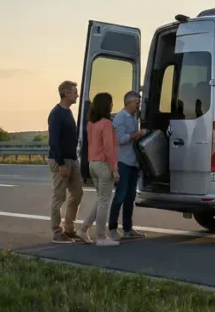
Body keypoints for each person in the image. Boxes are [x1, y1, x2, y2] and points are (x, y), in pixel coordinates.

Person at [79, 93, 120, 246]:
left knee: (100, 198)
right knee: (104, 201)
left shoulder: (91, 123)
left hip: (92, 164)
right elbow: (109, 148)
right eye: (111, 102)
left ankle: (83, 229)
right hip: (103, 165)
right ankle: (101, 236)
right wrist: (114, 169)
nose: (112, 105)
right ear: (106, 105)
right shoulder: (106, 124)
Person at [48, 80, 84, 243]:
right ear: (66, 93)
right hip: (61, 160)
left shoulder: (68, 112)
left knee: (77, 193)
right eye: (74, 91)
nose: (77, 94)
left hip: (72, 159)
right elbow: (53, 142)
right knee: (59, 196)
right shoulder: (56, 114)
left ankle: (69, 229)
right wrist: (61, 163)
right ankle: (57, 231)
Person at [108, 91, 147, 240]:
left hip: (133, 162)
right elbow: (120, 139)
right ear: (129, 102)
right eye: (137, 103)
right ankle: (112, 228)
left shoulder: (133, 117)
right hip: (123, 161)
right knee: (120, 195)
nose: (139, 105)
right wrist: (137, 134)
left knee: (130, 197)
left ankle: (127, 228)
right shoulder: (119, 118)